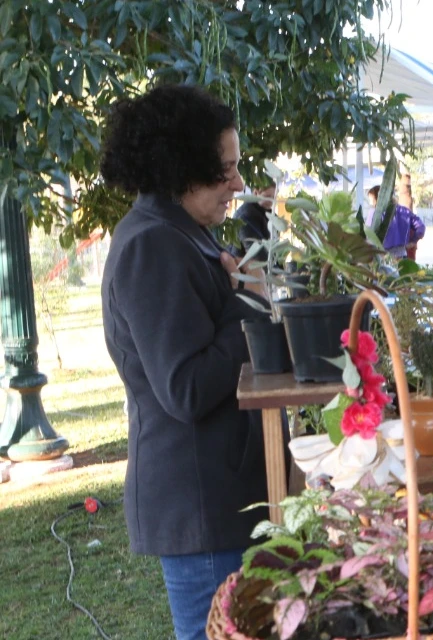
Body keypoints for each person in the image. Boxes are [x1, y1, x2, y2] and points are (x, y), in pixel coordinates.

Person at [98, 84, 268, 640]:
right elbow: (187, 388)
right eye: (226, 170)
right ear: (182, 167)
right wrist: (249, 299)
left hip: (221, 501)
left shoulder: (180, 233)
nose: (238, 184)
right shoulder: (152, 245)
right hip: (202, 511)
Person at [365, 185, 425, 260]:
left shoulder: (375, 212)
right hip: (401, 256)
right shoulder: (404, 211)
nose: (371, 203)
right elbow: (420, 227)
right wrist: (413, 241)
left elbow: (369, 234)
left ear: (377, 198)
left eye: (371, 199)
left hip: (382, 258)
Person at [233, 183, 275, 251]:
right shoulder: (246, 215)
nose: (271, 201)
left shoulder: (267, 213)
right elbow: (255, 252)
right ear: (255, 193)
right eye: (268, 196)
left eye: (273, 197)